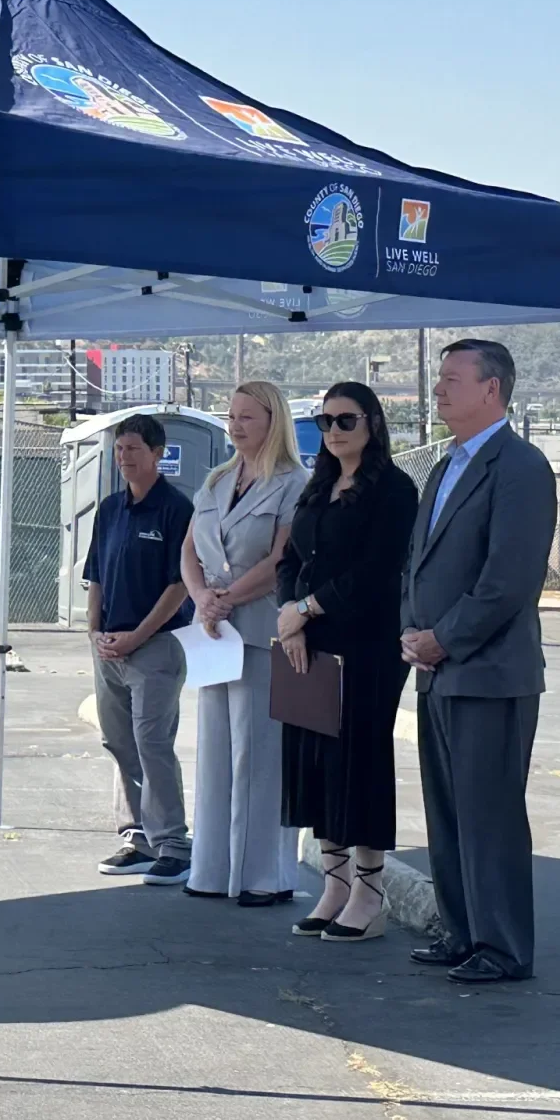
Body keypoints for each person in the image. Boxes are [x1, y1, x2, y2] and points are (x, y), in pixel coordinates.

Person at [400, 338, 557, 984]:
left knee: (489, 814)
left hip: (489, 674)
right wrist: (412, 632)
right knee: (448, 812)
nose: (438, 390)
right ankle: (461, 931)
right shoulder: (444, 466)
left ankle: (503, 946)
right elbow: (421, 562)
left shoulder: (520, 466)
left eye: (452, 380)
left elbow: (510, 579)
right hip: (438, 670)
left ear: (491, 390)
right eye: (439, 379)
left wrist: (444, 638)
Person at [274, 382, 419, 941]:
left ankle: (369, 892)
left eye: (346, 420)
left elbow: (379, 569)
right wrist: (292, 611)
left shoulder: (393, 490)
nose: (334, 431)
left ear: (373, 424)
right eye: (325, 421)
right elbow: (290, 557)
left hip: (367, 647)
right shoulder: (319, 486)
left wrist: (306, 609)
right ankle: (334, 885)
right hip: (308, 643)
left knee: (360, 765)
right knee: (318, 765)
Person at [180, 382, 307, 905]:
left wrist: (225, 597)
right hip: (214, 632)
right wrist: (202, 599)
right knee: (215, 754)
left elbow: (281, 558)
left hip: (260, 631)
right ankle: (211, 870)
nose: (235, 425)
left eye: (247, 417)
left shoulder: (294, 483)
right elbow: (188, 550)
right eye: (231, 416)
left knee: (259, 754)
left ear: (272, 421)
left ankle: (263, 876)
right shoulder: (216, 479)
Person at [85, 414, 198, 885]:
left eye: (133, 449)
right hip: (109, 647)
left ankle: (173, 843)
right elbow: (95, 575)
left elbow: (180, 586)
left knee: (152, 742)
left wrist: (138, 636)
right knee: (119, 741)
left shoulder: (176, 510)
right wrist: (95, 631)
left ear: (157, 453)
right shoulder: (110, 509)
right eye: (118, 450)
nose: (124, 458)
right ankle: (139, 837)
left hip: (155, 646)